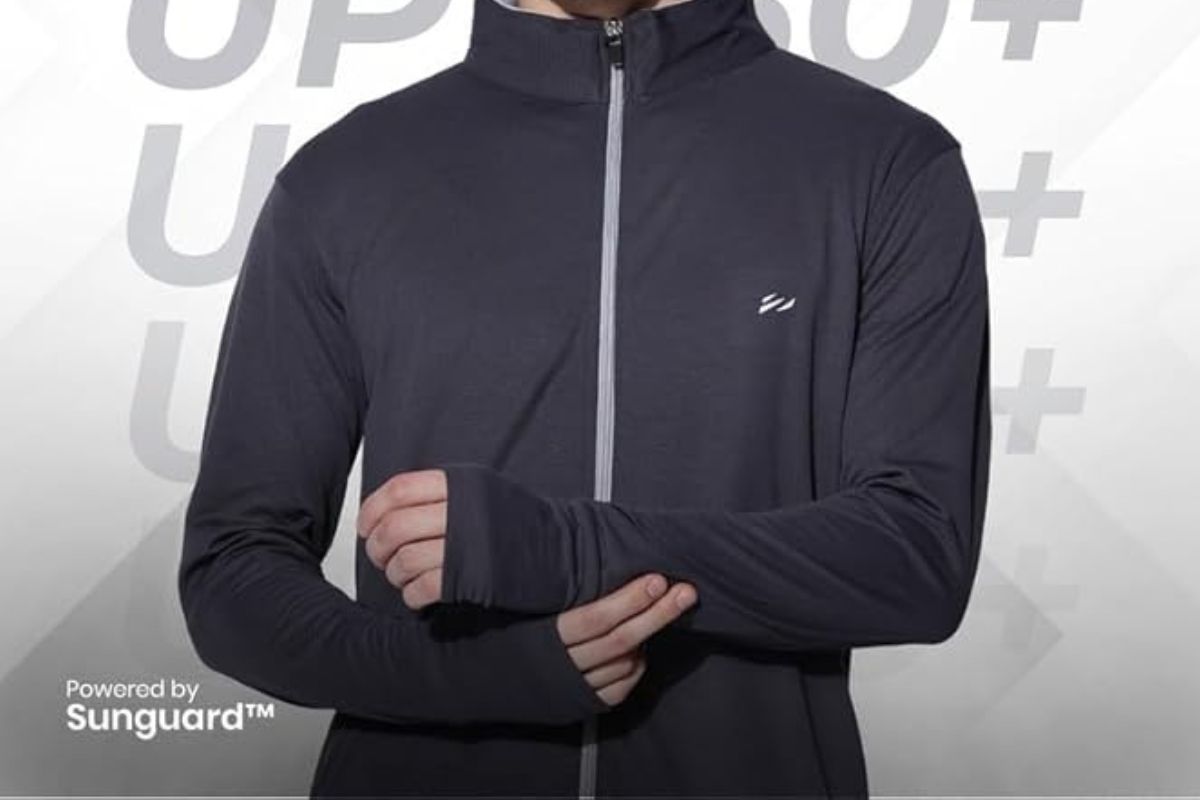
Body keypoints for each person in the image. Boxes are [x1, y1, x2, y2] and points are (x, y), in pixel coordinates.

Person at [178, 0, 993, 797]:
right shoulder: (345, 176)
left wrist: (563, 550)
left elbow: (917, 555)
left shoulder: (884, 160)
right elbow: (234, 568)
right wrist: (472, 675)